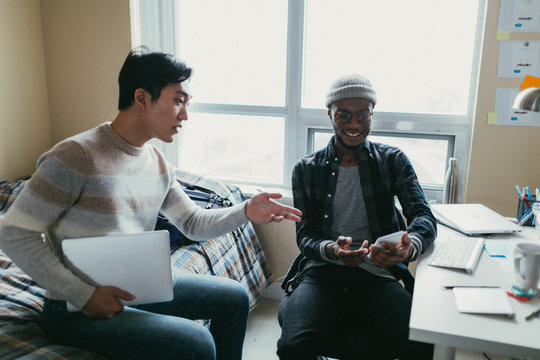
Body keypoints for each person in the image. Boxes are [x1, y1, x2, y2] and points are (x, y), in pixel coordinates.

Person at [0, 47, 302, 360]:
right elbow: (14, 233)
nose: (185, 115)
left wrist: (247, 210)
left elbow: (193, 223)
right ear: (142, 98)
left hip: (134, 286)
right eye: (178, 100)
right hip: (75, 308)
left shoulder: (156, 162)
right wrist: (84, 294)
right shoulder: (75, 156)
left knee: (234, 297)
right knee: (195, 341)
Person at [276, 74, 437, 360]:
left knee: (421, 343)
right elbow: (306, 235)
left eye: (363, 115)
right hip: (322, 273)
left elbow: (422, 215)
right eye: (344, 115)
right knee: (293, 346)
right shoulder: (306, 169)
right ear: (330, 114)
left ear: (372, 114)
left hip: (376, 275)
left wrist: (408, 246)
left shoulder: (392, 160)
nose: (354, 124)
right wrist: (331, 250)